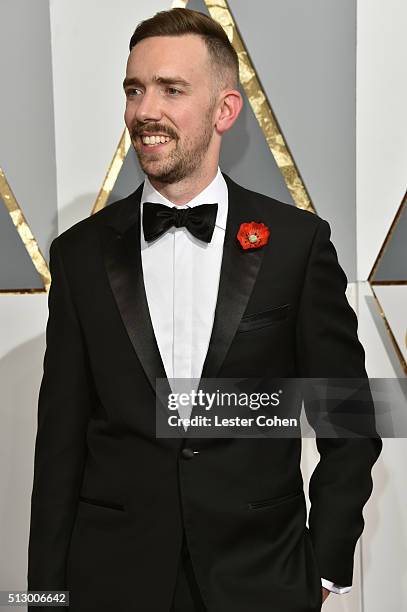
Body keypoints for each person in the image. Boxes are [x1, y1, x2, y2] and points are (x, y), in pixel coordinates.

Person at [27, 8, 382, 612]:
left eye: (171, 89)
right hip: (111, 582)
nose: (145, 111)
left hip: (260, 579)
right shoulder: (80, 256)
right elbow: (58, 444)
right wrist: (45, 595)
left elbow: (348, 419)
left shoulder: (297, 245)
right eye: (134, 90)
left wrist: (323, 568)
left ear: (225, 111)